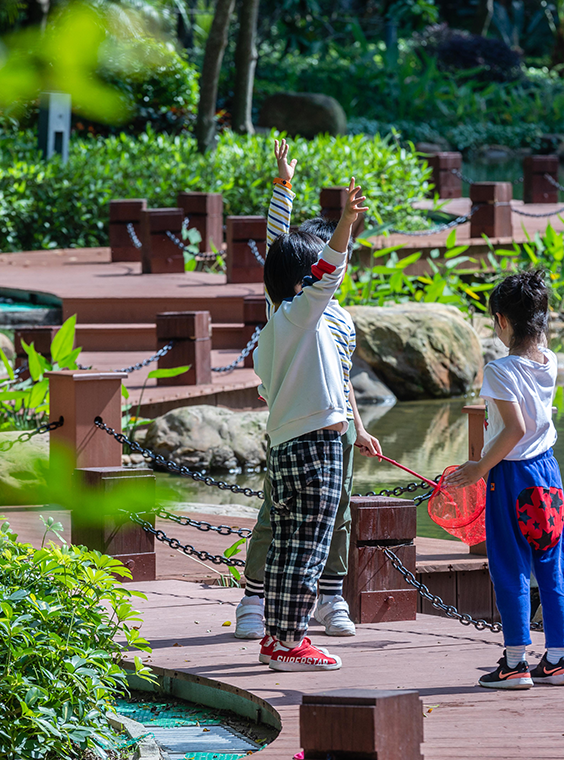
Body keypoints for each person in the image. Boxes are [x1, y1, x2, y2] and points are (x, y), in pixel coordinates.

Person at [235, 140, 381, 644]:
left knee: (330, 520)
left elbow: (340, 376)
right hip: (304, 431)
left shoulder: (327, 319)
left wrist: (360, 428)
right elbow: (286, 249)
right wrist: (286, 187)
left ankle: (324, 601)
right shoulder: (293, 310)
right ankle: (268, 615)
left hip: (333, 425)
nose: (328, 271)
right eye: (315, 266)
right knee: (288, 527)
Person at [443, 270, 564, 690]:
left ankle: (515, 662)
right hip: (548, 473)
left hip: (511, 475)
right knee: (552, 564)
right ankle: (558, 658)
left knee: (510, 565)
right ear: (543, 319)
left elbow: (513, 429)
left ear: (501, 321)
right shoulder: (549, 361)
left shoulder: (499, 371)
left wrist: (477, 468)